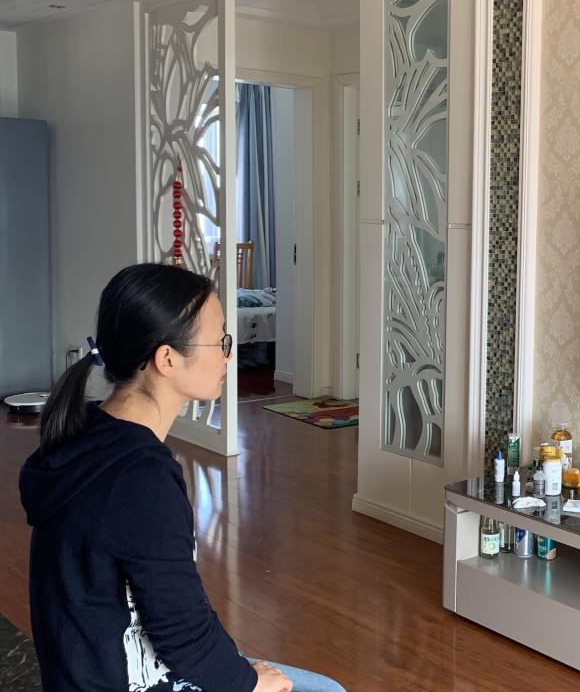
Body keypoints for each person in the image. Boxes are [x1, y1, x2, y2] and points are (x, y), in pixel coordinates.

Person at [19, 264, 345, 692]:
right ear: (167, 359)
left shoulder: (87, 432)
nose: (228, 355)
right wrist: (249, 683)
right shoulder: (141, 479)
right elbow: (183, 634)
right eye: (221, 341)